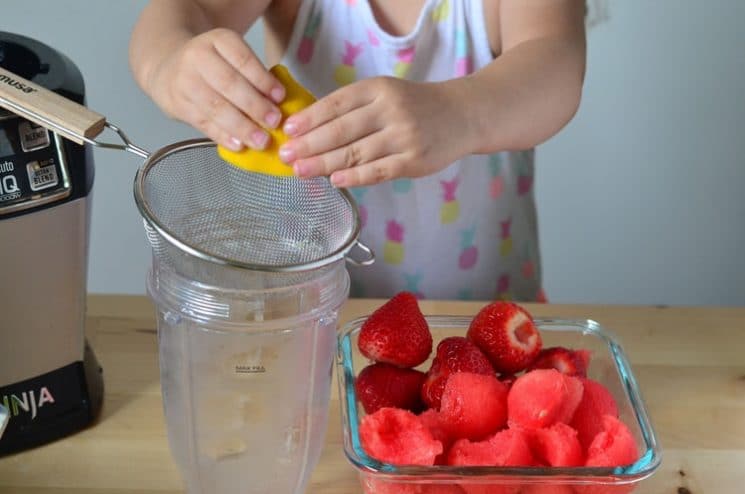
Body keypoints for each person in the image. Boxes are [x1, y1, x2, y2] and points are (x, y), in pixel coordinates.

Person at [129, 0, 587, 301]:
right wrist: (169, 63)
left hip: (490, 326)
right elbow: (181, 12)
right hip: (318, 319)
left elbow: (556, 64)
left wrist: (459, 113)